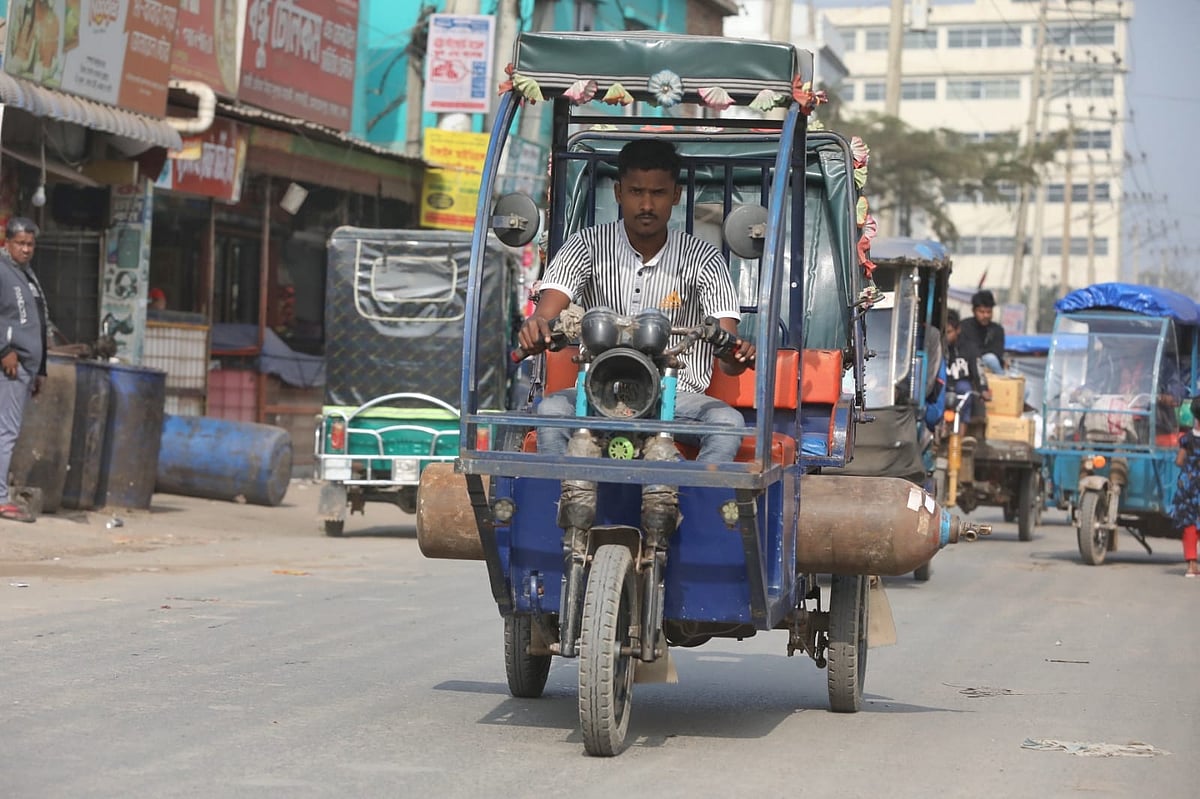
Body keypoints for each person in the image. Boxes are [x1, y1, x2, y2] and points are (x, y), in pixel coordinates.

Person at [518, 139, 755, 462]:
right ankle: (560, 500)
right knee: (551, 411)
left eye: (657, 193)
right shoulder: (586, 245)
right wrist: (537, 327)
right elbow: (546, 312)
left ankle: (697, 502)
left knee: (727, 424)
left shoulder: (704, 258)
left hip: (675, 395)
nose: (646, 205)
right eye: (635, 192)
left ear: (675, 196)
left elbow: (727, 353)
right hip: (597, 390)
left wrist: (734, 353)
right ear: (619, 193)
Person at [0, 217, 48, 523]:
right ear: (6, 243)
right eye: (20, 243)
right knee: (6, 431)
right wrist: (4, 350)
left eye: (30, 244)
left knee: (7, 431)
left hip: (28, 367)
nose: (26, 249)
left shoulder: (26, 274)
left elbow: (37, 324)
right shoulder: (3, 271)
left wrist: (41, 368)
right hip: (10, 365)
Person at [944, 308, 990, 424]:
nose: (946, 336)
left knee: (965, 391)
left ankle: (961, 436)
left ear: (958, 330)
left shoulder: (970, 348)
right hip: (942, 384)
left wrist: (983, 389)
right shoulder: (937, 347)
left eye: (949, 332)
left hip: (960, 385)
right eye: (943, 332)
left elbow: (978, 370)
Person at [1171, 397, 1200, 578]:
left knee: (1189, 524)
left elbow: (1179, 461)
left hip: (1189, 486)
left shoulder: (1187, 438)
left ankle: (1191, 566)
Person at [959, 289, 1006, 374]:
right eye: (982, 312)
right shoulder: (964, 326)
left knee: (990, 358)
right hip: (969, 365)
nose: (985, 315)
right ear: (973, 311)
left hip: (991, 367)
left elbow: (998, 353)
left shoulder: (997, 329)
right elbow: (966, 351)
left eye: (989, 312)